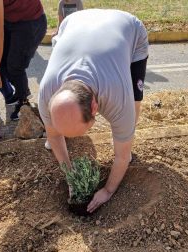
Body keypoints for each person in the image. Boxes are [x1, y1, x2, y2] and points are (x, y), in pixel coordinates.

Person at [38, 9, 149, 213]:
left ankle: (127, 136)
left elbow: (121, 157)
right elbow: (54, 137)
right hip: (73, 23)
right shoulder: (46, 93)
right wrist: (70, 176)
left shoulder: (117, 95)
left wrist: (108, 190)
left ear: (95, 108)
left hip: (127, 28)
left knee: (134, 102)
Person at [0, 0, 47, 120]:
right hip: (12, 20)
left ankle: (24, 104)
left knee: (15, 67)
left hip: (30, 23)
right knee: (3, 62)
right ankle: (23, 90)